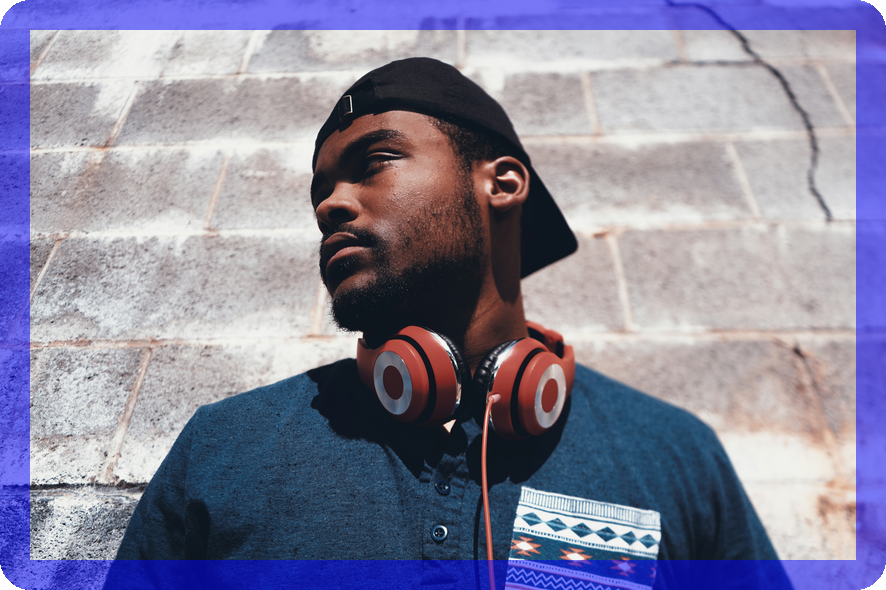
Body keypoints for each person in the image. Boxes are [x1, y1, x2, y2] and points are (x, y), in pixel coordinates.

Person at [107, 58, 793, 590]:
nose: (330, 205)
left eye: (374, 162)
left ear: (502, 183)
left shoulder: (672, 453)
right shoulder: (225, 446)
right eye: (321, 189)